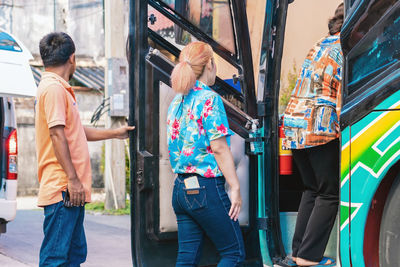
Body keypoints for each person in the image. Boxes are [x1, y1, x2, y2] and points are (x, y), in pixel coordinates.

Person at [35, 32, 134, 266]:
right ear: (72, 58)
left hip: (70, 190)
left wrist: (115, 133)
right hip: (64, 188)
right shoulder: (54, 89)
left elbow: (75, 130)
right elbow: (57, 134)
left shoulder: (58, 88)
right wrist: (73, 179)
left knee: (74, 256)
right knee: (56, 258)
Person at [167, 41, 245, 267]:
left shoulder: (177, 101)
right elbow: (219, 147)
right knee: (234, 254)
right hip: (205, 188)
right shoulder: (209, 99)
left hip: (181, 189)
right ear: (210, 64)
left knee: (187, 259)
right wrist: (236, 187)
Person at [282, 3, 344, 267]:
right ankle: (309, 257)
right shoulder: (348, 47)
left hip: (294, 123)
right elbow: (341, 92)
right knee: (329, 193)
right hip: (319, 125)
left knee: (312, 189)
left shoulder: (321, 43)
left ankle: (297, 253)